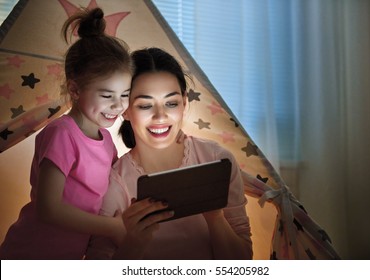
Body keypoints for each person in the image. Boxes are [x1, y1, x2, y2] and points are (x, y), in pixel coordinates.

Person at [0, 7, 147, 260]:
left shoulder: (107, 142)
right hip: (30, 255)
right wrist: (112, 227)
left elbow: (116, 188)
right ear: (75, 90)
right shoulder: (62, 134)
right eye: (106, 95)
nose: (118, 105)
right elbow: (49, 209)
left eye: (124, 94)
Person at [86, 47, 253, 260]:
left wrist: (215, 218)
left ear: (184, 102)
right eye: (145, 105)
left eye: (171, 103)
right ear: (125, 109)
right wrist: (133, 244)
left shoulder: (217, 159)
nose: (160, 116)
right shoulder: (113, 183)